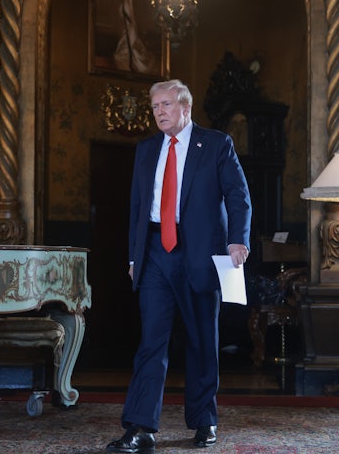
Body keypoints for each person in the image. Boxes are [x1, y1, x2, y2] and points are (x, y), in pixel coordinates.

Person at [106, 79, 252, 453]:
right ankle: (140, 427)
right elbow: (138, 208)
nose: (159, 112)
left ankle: (204, 420)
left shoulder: (217, 144)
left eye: (166, 104)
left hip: (200, 253)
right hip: (155, 251)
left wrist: (239, 239)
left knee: (202, 340)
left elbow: (238, 195)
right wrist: (134, 256)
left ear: (185, 107)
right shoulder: (145, 149)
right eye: (155, 106)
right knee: (151, 342)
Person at [112, 0, 157, 75]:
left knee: (130, 31)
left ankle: (127, 51)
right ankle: (125, 52)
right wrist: (132, 16)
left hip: (127, 8)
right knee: (130, 30)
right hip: (126, 7)